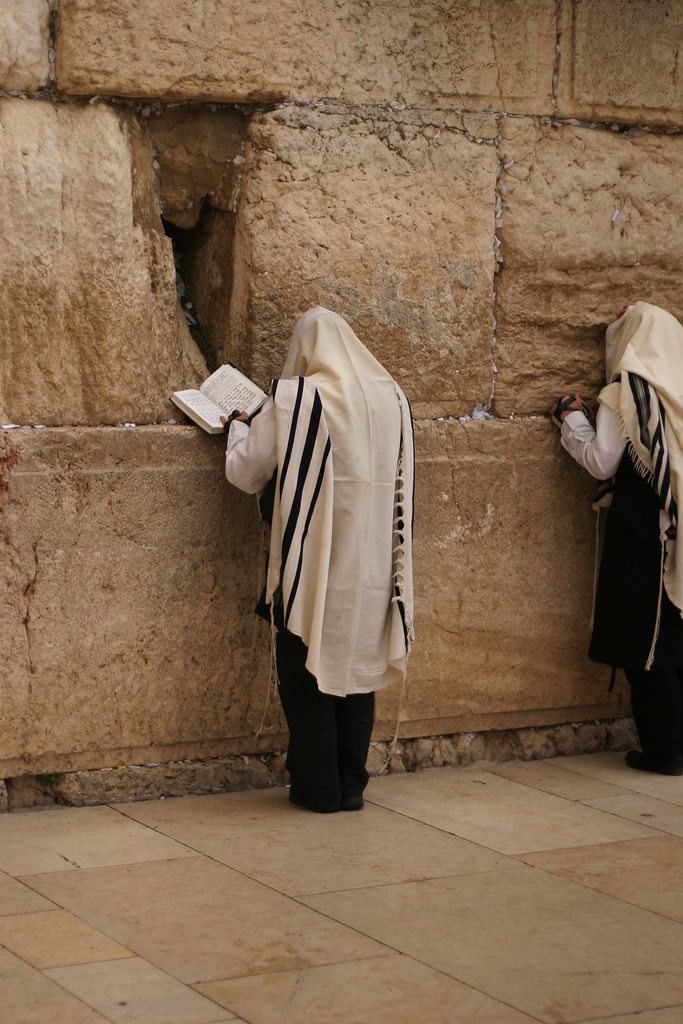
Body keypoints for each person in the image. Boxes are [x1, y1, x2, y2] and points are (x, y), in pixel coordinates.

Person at [223, 307, 415, 811]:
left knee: (306, 673)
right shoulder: (392, 397)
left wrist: (239, 430)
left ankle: (318, 789)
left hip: (315, 568)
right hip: (373, 568)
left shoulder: (296, 399)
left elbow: (246, 473)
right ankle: (351, 784)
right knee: (356, 676)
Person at [551, 302, 683, 776]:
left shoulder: (628, 393)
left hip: (647, 534)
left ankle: (665, 750)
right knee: (676, 635)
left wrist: (570, 418)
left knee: (645, 643)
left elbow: (603, 460)